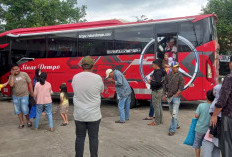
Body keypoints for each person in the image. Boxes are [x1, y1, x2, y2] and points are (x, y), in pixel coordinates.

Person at [72, 56, 104, 157]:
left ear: (82, 66)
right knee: (93, 138)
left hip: (79, 115)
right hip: (94, 115)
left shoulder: (75, 77)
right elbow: (101, 90)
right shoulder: (97, 78)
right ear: (92, 66)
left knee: (80, 137)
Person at [210, 55, 232, 157]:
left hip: (229, 116)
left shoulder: (229, 78)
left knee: (227, 143)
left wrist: (214, 115)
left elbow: (223, 99)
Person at [163, 61, 184, 136]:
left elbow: (182, 87)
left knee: (174, 114)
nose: (177, 68)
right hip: (169, 97)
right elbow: (164, 85)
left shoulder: (180, 76)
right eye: (175, 67)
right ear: (171, 67)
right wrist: (164, 95)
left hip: (176, 98)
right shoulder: (168, 76)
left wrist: (177, 94)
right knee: (172, 113)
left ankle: (172, 129)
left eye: (177, 67)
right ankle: (177, 124)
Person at [202, 81, 223, 157]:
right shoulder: (221, 102)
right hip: (219, 138)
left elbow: (216, 120)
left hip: (212, 136)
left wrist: (212, 132)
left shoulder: (217, 104)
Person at [9, 63, 33, 129]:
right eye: (14, 69)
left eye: (17, 69)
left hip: (24, 95)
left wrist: (31, 92)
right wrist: (12, 75)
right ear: (12, 70)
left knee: (25, 109)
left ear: (19, 68)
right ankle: (21, 122)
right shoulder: (11, 76)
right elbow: (11, 85)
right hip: (15, 96)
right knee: (18, 110)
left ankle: (28, 120)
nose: (16, 70)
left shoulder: (24, 74)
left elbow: (29, 82)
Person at [193, 90, 215, 157]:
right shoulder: (214, 107)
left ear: (206, 97)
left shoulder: (201, 105)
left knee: (197, 144)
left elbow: (196, 116)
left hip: (199, 129)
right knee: (208, 144)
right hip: (209, 130)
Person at [148, 59, 166, 126]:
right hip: (160, 90)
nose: (152, 66)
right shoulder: (162, 71)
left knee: (156, 106)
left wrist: (150, 82)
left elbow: (158, 83)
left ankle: (157, 121)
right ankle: (160, 120)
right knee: (159, 106)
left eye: (153, 65)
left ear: (156, 65)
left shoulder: (157, 73)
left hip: (156, 90)